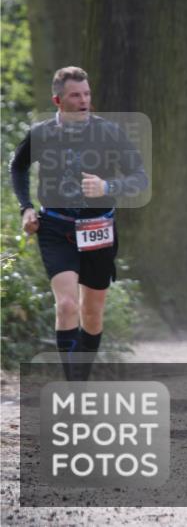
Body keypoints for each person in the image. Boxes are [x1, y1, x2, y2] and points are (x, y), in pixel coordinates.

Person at [8, 66, 148, 381]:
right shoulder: (42, 134)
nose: (83, 100)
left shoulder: (108, 132)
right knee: (68, 305)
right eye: (75, 95)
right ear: (58, 100)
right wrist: (26, 208)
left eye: (86, 93)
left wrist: (108, 187)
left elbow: (140, 177)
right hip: (56, 227)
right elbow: (18, 168)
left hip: (99, 226)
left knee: (92, 313)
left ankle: (80, 379)